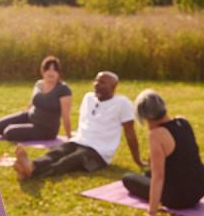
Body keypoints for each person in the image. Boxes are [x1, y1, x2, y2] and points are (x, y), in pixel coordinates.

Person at [13, 71, 143, 180]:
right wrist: (73, 137)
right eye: (96, 80)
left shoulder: (122, 103)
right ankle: (31, 165)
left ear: (114, 86)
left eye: (102, 82)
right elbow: (84, 123)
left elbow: (130, 133)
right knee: (56, 152)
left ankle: (31, 172)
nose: (96, 84)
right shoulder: (88, 98)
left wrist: (138, 160)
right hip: (79, 141)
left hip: (98, 152)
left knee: (68, 161)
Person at [121, 89, 204, 216]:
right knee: (148, 173)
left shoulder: (156, 135)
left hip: (178, 198)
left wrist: (152, 212)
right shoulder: (183, 121)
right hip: (200, 188)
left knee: (128, 178)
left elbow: (158, 177)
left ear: (144, 116)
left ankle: (159, 202)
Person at [0, 56, 72, 142]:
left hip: (46, 129)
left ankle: (24, 130)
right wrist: (21, 118)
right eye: (48, 69)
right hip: (29, 117)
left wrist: (69, 137)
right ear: (43, 71)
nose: (51, 72)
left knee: (9, 132)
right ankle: (25, 128)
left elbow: (65, 116)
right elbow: (32, 103)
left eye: (54, 69)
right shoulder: (39, 84)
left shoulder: (63, 89)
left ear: (58, 73)